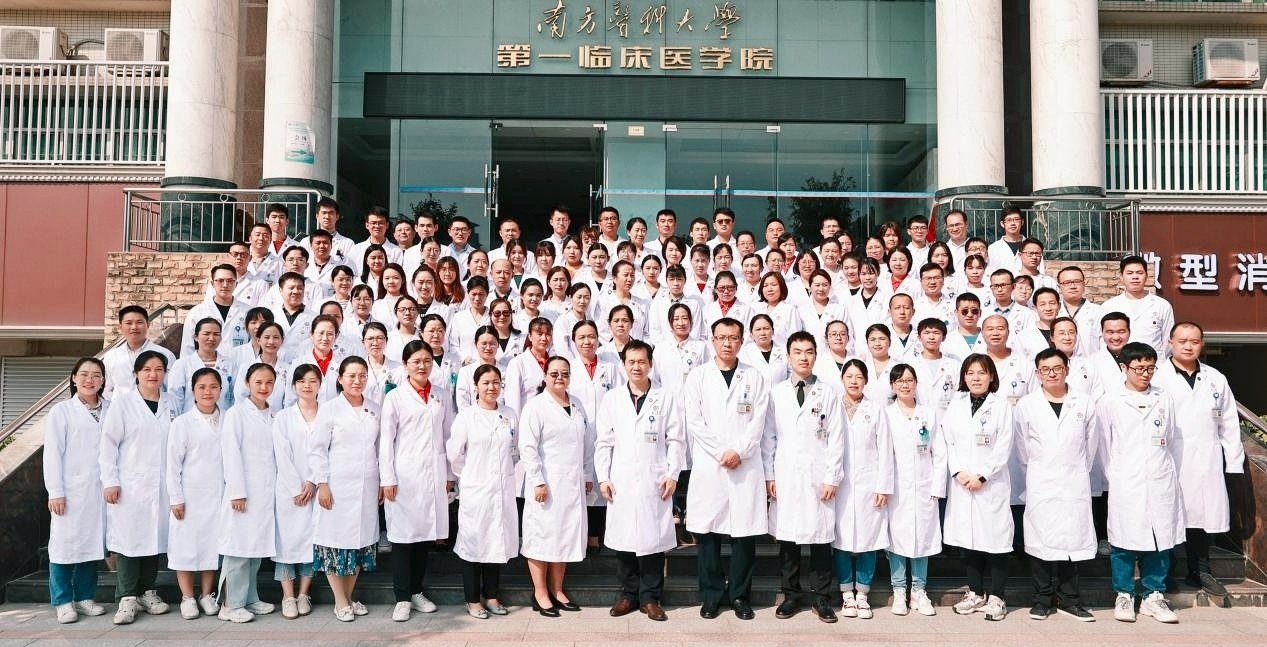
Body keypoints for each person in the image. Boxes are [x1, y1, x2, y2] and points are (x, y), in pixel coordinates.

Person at [684, 317, 770, 621]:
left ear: (741, 341)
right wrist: (722, 452)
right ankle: (711, 597)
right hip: (711, 464)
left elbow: (759, 420)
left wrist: (740, 451)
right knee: (708, 536)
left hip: (745, 465)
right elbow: (694, 421)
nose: (727, 343)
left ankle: (739, 596)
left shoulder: (754, 376)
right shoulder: (698, 377)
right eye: (721, 338)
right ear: (712, 340)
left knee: (744, 536)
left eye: (733, 338)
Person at [595, 340, 685, 622]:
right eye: (631, 362)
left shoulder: (665, 397)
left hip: (654, 478)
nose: (637, 367)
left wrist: (672, 474)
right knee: (625, 539)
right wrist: (603, 477)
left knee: (653, 540)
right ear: (623, 365)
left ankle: (650, 597)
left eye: (642, 361)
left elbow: (676, 439)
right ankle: (629, 594)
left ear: (650, 364)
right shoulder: (612, 399)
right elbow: (603, 442)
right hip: (621, 479)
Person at [1153, 322, 1245, 597]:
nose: (1188, 346)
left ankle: (1200, 571)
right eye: (1182, 341)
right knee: (1169, 514)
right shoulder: (1157, 376)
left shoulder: (1215, 378)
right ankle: (1165, 572)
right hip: (1170, 457)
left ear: (1202, 344)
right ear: (1170, 343)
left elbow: (1229, 422)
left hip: (1207, 459)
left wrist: (1234, 462)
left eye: (1194, 341)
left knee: (1203, 516)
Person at [1098, 342, 1183, 624]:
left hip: (1159, 477)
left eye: (1150, 368)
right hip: (1126, 479)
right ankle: (1124, 593)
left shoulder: (1164, 397)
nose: (1145, 373)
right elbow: (1104, 445)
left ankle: (1153, 595)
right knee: (1123, 539)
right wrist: (1116, 475)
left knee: (1161, 538)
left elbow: (1171, 437)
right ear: (1124, 367)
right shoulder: (1110, 401)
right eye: (1139, 368)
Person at [764, 332, 844, 624]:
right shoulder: (777, 393)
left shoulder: (828, 393)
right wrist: (769, 475)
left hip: (818, 474)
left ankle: (821, 598)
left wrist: (832, 477)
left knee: (821, 539)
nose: (803, 357)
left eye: (809, 351)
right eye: (797, 352)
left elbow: (837, 437)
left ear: (815, 356)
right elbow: (769, 438)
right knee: (789, 539)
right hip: (786, 473)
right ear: (788, 357)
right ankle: (791, 595)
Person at [1014, 348, 1098, 622]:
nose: (1052, 374)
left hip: (1074, 481)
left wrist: (1075, 469)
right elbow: (1022, 449)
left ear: (1067, 370)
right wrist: (1039, 470)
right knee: (1040, 540)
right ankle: (1041, 599)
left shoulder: (1084, 403)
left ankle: (1070, 599)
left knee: (1073, 541)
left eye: (1057, 368)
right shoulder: (1027, 405)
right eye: (1045, 369)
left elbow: (1091, 445)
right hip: (1041, 480)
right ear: (1037, 373)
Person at [99, 350, 176, 625]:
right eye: (147, 370)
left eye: (159, 369)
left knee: (154, 538)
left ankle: (146, 591)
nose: (153, 374)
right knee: (129, 540)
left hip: (161, 484)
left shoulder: (171, 402)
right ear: (136, 374)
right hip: (130, 484)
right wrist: (111, 481)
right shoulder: (123, 403)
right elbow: (108, 444)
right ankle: (127, 597)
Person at [380, 341, 454, 622]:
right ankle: (402, 597)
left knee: (424, 535)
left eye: (426, 361)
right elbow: (386, 441)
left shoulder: (442, 395)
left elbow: (448, 436)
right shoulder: (395, 397)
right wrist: (388, 478)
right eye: (416, 361)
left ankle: (416, 591)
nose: (422, 366)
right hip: (403, 476)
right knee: (402, 538)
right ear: (405, 365)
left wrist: (449, 474)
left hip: (433, 473)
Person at [519, 356, 595, 616]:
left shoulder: (577, 404)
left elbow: (586, 443)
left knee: (564, 536)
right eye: (554, 373)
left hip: (572, 484)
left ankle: (558, 589)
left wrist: (587, 475)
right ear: (545, 376)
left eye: (564, 373)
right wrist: (538, 481)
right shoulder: (536, 407)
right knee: (542, 537)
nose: (559, 378)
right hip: (546, 485)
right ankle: (540, 593)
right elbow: (528, 447)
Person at [941, 354, 1014, 622]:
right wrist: (959, 472)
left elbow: (1004, 445)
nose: (976, 378)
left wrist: (983, 476)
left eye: (982, 373)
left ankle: (997, 597)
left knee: (996, 540)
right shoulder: (956, 405)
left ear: (991, 376)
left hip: (990, 484)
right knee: (968, 539)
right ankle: (975, 592)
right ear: (964, 377)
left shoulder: (1001, 406)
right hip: (963, 483)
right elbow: (948, 441)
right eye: (970, 373)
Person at [310, 357, 381, 622]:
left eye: (362, 375)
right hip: (337, 486)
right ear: (340, 379)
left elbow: (379, 448)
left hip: (367, 485)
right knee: (335, 543)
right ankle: (340, 601)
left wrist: (382, 481)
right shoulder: (329, 409)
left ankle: (348, 598)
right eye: (351, 376)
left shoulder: (374, 408)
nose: (357, 380)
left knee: (360, 544)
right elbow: (317, 450)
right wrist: (322, 484)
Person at [447, 364, 518, 619]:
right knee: (473, 544)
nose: (491, 387)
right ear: (476, 386)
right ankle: (472, 599)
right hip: (476, 490)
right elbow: (454, 454)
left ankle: (492, 595)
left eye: (496, 382)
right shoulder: (467, 416)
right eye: (486, 382)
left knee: (496, 542)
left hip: (502, 489)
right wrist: (470, 476)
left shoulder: (509, 414)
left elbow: (515, 450)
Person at [44, 358, 110, 624]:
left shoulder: (112, 408)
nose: (89, 380)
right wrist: (55, 491)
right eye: (84, 374)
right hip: (71, 490)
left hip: (101, 490)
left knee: (91, 544)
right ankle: (62, 601)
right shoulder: (61, 411)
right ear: (73, 378)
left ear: (103, 381)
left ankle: (84, 598)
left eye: (96, 375)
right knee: (63, 546)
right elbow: (52, 454)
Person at [216, 363, 279, 623]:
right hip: (242, 493)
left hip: (265, 492)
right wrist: (237, 492)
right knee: (238, 549)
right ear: (247, 383)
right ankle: (230, 604)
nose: (264, 387)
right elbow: (231, 453)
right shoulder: (237, 414)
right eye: (258, 382)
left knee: (255, 549)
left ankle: (249, 598)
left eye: (269, 382)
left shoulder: (274, 414)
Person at [833, 359, 892, 620]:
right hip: (840, 484)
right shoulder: (832, 407)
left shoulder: (875, 409)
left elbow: (885, 449)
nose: (854, 381)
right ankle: (847, 593)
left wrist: (883, 486)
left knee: (869, 539)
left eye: (859, 377)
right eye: (849, 376)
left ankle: (863, 593)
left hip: (869, 483)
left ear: (866, 381)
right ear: (842, 379)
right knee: (841, 540)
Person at [883, 363, 944, 617]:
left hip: (924, 486)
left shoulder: (928, 413)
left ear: (916, 383)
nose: (905, 385)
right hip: (897, 488)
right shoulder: (886, 414)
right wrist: (884, 486)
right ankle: (899, 590)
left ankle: (919, 591)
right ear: (892, 385)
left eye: (909, 380)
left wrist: (937, 485)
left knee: (922, 540)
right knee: (897, 540)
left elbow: (940, 452)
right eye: (899, 381)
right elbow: (883, 454)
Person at [165, 368, 225, 621]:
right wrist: (176, 497)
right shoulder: (182, 423)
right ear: (192, 391)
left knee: (212, 546)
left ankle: (207, 594)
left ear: (221, 390)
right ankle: (187, 597)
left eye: (213, 387)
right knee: (185, 546)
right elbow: (172, 465)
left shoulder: (228, 419)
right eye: (202, 387)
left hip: (219, 495)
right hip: (189, 495)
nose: (208, 392)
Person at [271, 364, 322, 619]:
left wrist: (313, 481)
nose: (307, 385)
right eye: (301, 381)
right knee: (287, 543)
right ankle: (288, 596)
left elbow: (328, 451)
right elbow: (281, 455)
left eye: (312, 381)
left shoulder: (327, 414)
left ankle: (303, 593)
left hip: (318, 488)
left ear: (320, 385)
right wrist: (295, 488)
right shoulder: (283, 417)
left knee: (311, 542)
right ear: (293, 386)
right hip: (288, 491)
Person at [1101, 255, 1175, 357]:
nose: (1135, 277)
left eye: (1139, 273)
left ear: (1146, 276)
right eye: (1130, 273)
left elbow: (1168, 340)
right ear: (1121, 277)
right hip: (1119, 362)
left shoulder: (1162, 305)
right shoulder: (1109, 306)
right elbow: (1102, 339)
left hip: (1153, 364)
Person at [102, 305, 175, 399]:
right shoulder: (111, 356)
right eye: (129, 323)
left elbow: (171, 388)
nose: (134, 327)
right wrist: (117, 404)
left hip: (154, 406)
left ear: (148, 325)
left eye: (139, 322)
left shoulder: (165, 354)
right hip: (120, 406)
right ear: (120, 327)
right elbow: (106, 388)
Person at [167, 318, 236, 414]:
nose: (211, 338)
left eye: (216, 334)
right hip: (191, 419)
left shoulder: (230, 364)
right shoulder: (182, 364)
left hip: (223, 418)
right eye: (206, 333)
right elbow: (175, 398)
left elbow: (235, 396)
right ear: (196, 337)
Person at [182, 264, 252, 357]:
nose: (225, 285)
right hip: (206, 364)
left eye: (230, 281)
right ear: (212, 284)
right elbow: (187, 348)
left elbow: (253, 344)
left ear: (236, 284)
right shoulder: (197, 312)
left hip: (239, 364)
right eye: (220, 281)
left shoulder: (247, 311)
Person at [1057, 266, 1103, 356]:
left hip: (1091, 362)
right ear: (1059, 287)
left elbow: (1104, 343)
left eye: (1077, 281)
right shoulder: (1053, 311)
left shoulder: (1097, 311)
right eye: (1067, 283)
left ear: (1084, 284)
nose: (1073, 286)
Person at [986, 207, 1027, 272]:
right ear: (1002, 224)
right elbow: (990, 272)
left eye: (1016, 219)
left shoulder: (1032, 246)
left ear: (1022, 222)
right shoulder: (993, 248)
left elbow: (1040, 272)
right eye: (1009, 220)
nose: (1012, 223)